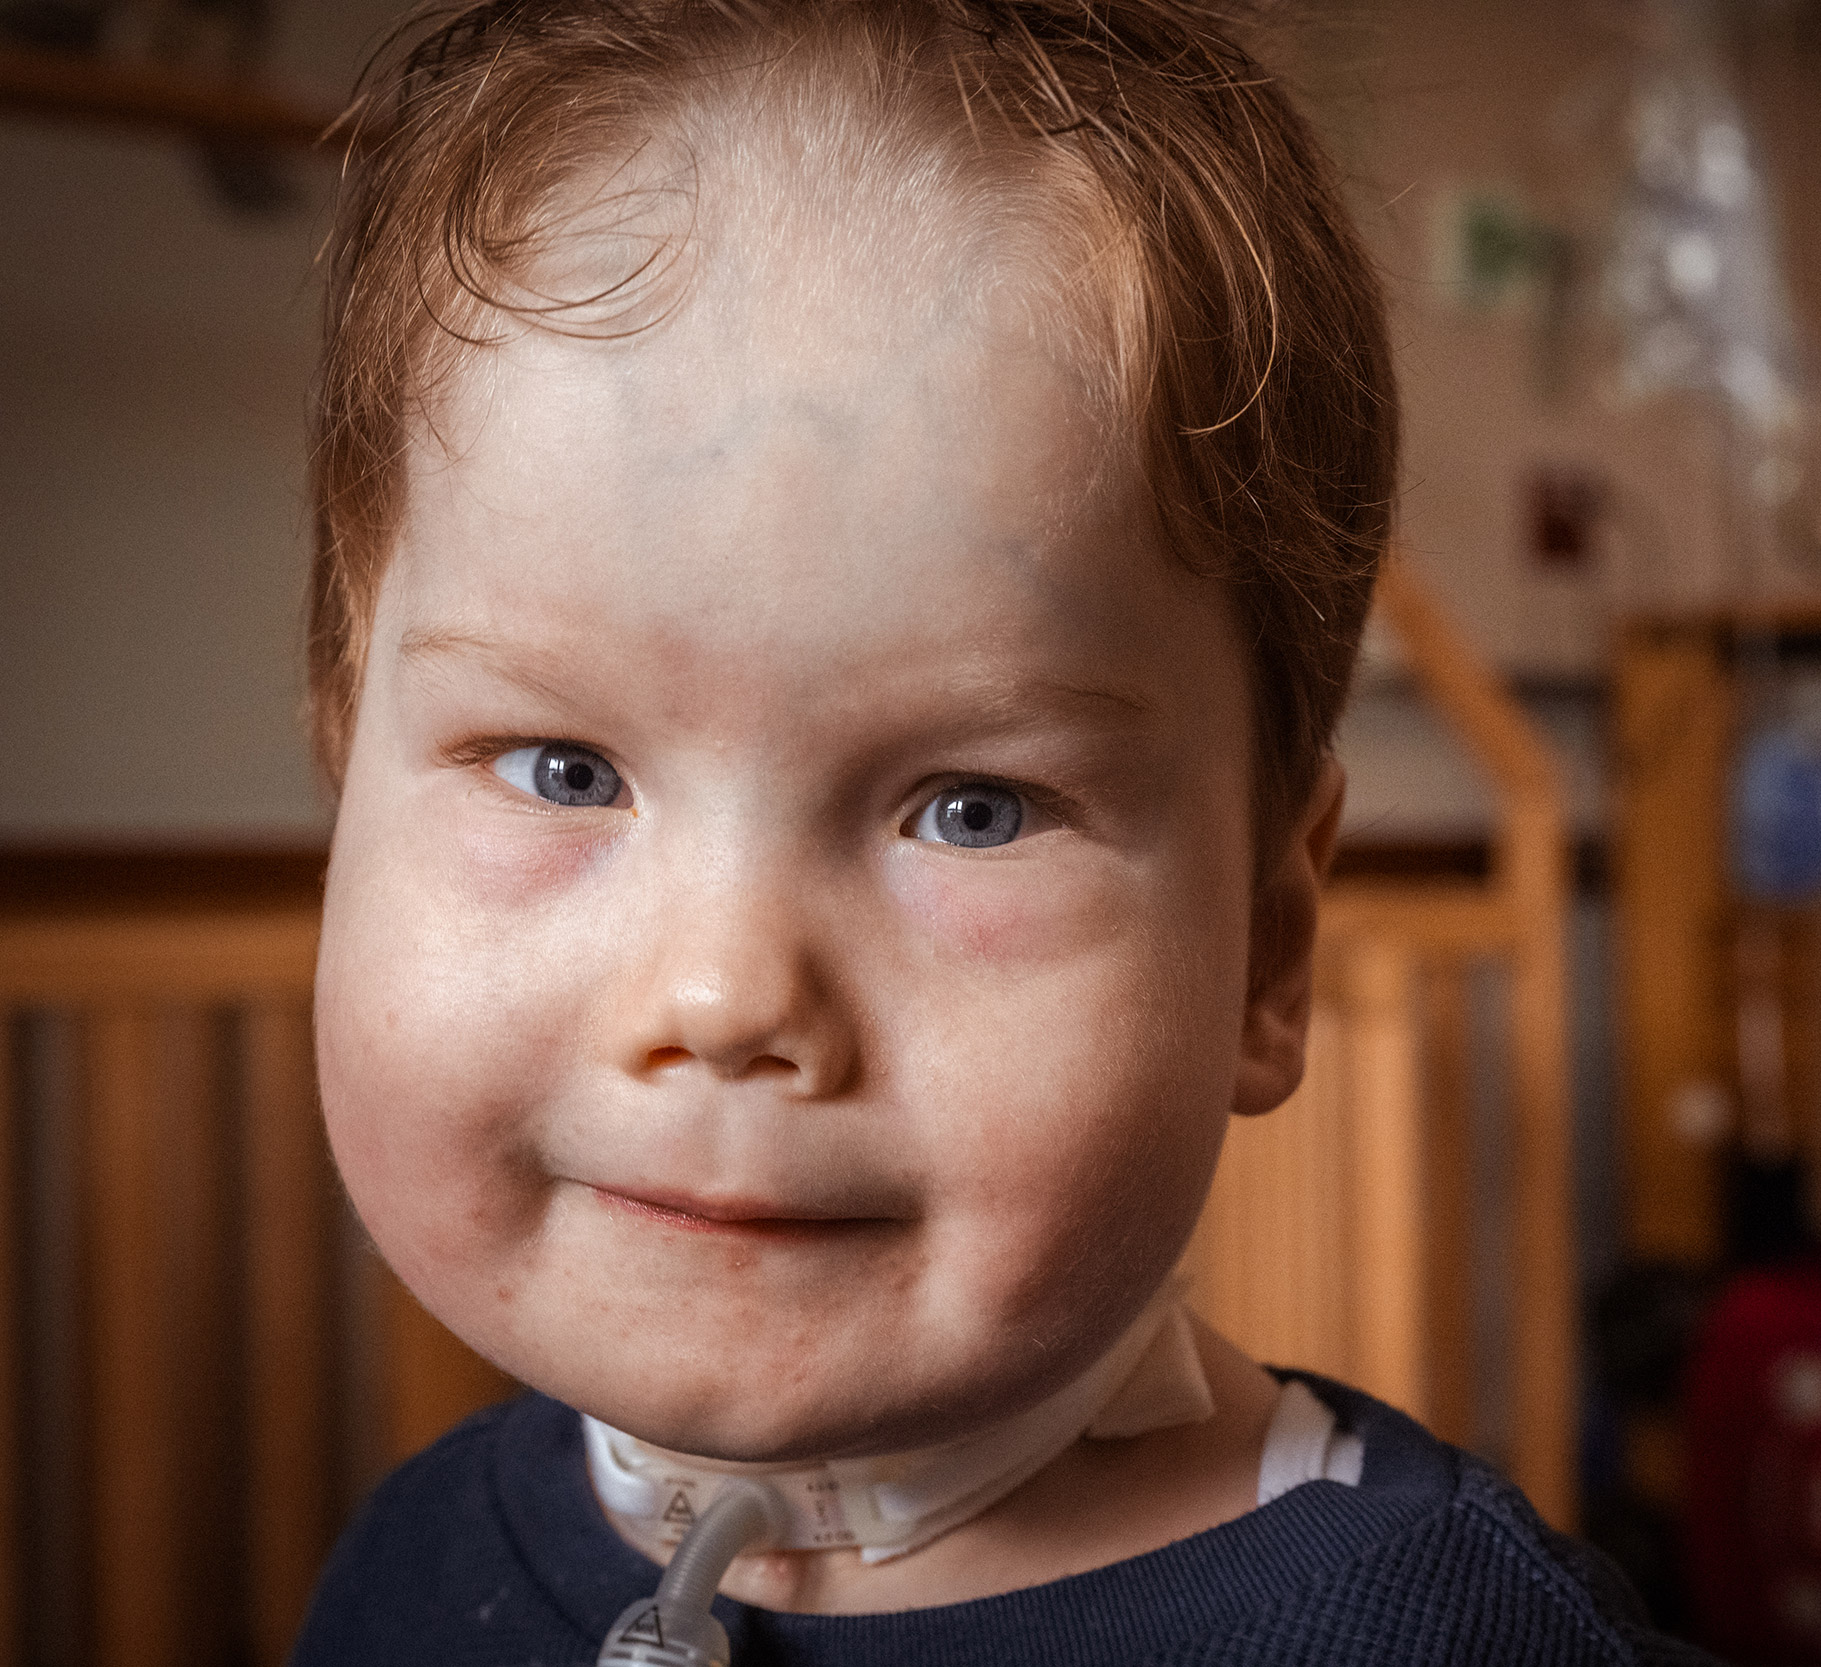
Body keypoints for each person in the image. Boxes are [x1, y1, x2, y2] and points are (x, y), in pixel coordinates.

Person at [294, 3, 1703, 1661]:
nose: (729, 995)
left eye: (972, 809)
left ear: (1267, 945)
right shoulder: (404, 1560)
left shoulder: (1445, 1640)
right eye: (561, 770)